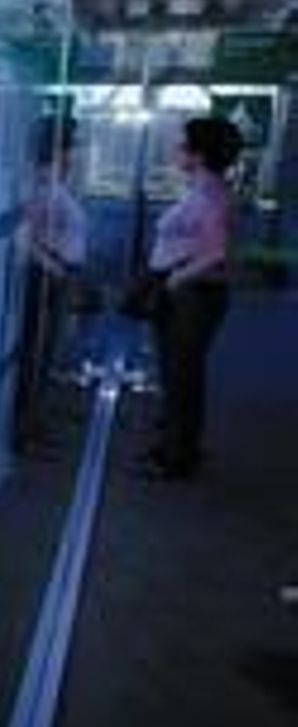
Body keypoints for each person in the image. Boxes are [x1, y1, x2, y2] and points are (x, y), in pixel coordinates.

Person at [139, 114, 243, 480]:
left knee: (182, 376)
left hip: (193, 295)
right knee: (177, 374)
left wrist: (175, 279)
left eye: (182, 145)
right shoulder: (203, 190)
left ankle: (176, 458)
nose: (175, 150)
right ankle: (175, 447)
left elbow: (218, 252)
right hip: (188, 293)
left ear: (199, 154)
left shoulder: (212, 193)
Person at [15, 113, 87, 451]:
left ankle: (34, 423)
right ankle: (27, 429)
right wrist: (55, 270)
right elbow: (23, 237)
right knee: (37, 357)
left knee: (45, 356)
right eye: (71, 144)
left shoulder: (53, 182)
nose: (76, 152)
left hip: (55, 276)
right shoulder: (40, 184)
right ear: (58, 149)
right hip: (46, 279)